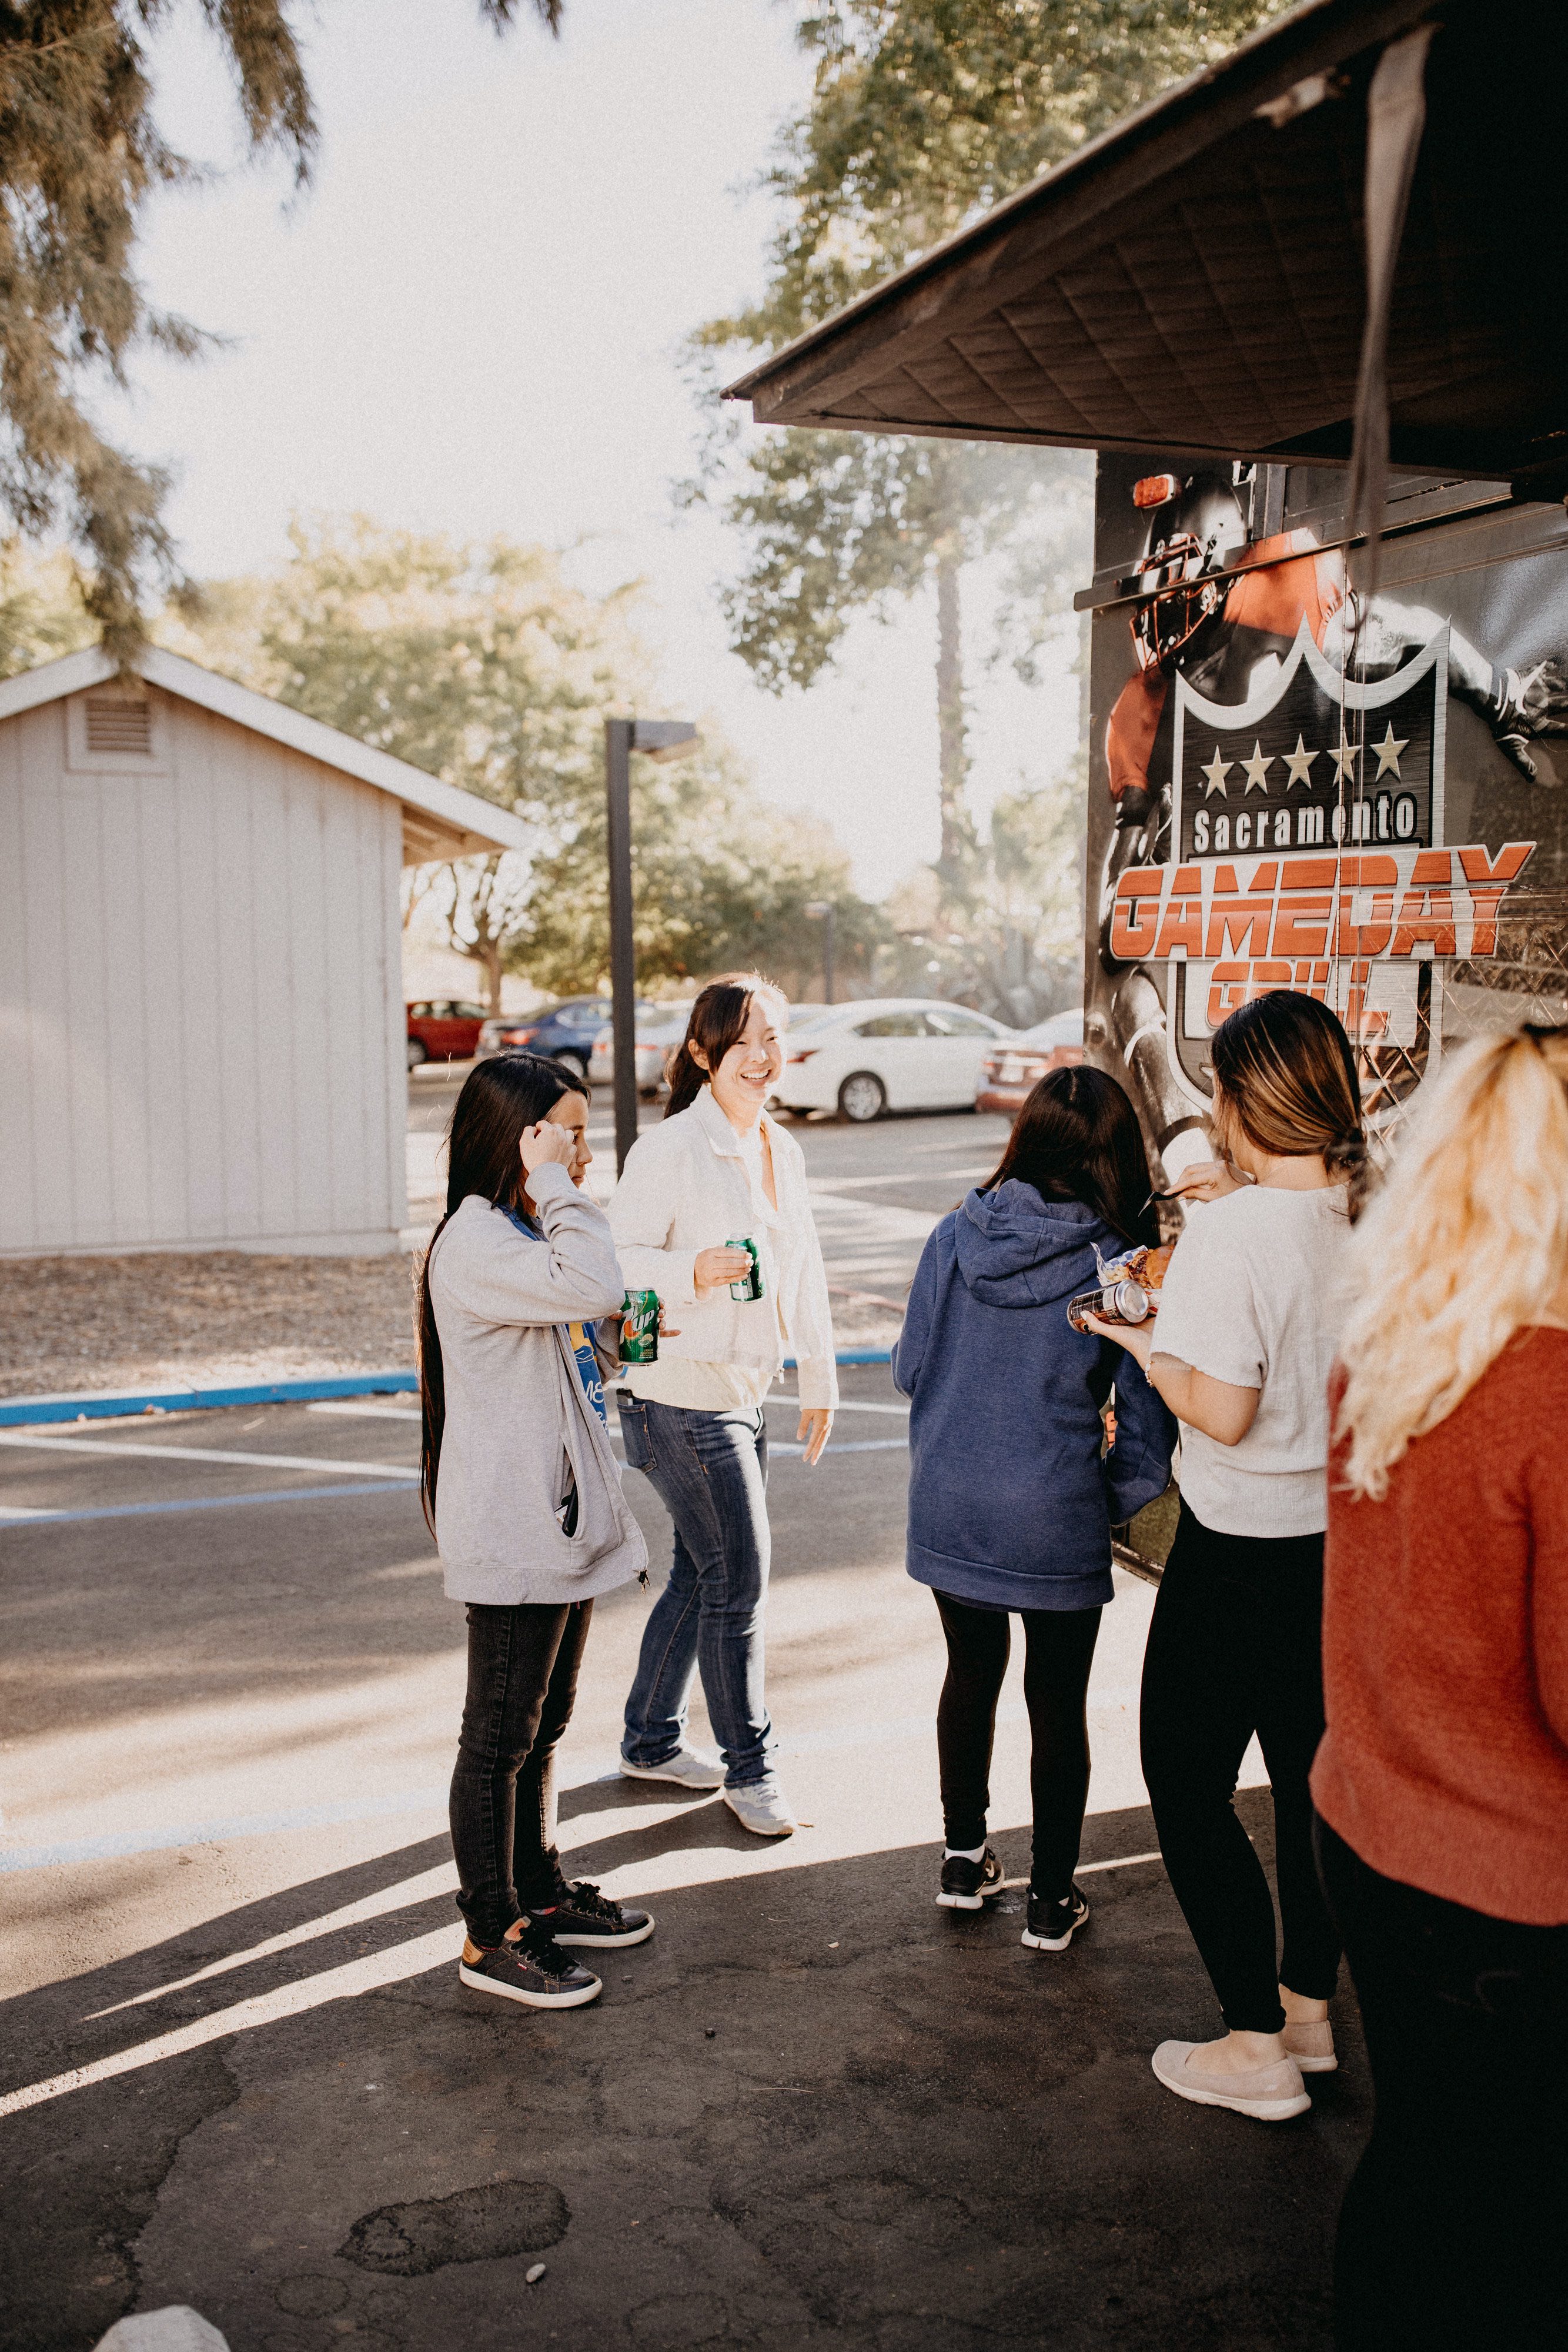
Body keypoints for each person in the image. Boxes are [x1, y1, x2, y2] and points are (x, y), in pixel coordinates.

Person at [1313, 1022, 1568, 2350]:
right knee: (1518, 2220)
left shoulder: (1395, 1345)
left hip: (1370, 1831)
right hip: (1511, 1901)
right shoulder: (1551, 1391)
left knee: (1420, 2160)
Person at [1090, 990, 1365, 2119]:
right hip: (1338, 1553)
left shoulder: (1235, 1231)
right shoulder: (1371, 1214)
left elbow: (1228, 1409)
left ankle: (1254, 2045)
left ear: (1242, 1101)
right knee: (1309, 1790)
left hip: (1236, 1551)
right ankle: (1307, 2016)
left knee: (1187, 1783)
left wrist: (1145, 1348)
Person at [892, 1067, 1176, 1949]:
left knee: (968, 1674)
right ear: (1118, 1156)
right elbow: (1147, 1424)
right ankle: (1051, 1901)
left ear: (1027, 1139)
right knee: (1057, 1702)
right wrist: (1108, 1500)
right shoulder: (1119, 1263)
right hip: (1055, 1509)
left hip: (950, 1501)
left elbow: (908, 1369)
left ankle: (963, 1858)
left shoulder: (954, 1233)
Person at [419, 1051, 655, 2012]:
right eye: (570, 1135)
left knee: (542, 1725)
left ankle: (539, 1892)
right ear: (522, 1139)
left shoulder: (516, 1235)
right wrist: (557, 1187)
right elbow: (592, 1276)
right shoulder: (479, 1238)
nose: (584, 1154)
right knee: (497, 1741)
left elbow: (578, 1321)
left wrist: (609, 1344)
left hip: (557, 1520)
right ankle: (491, 1934)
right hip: (517, 1528)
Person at [608, 975, 836, 1836]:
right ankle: (752, 1769)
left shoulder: (784, 1147)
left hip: (743, 1388)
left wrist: (819, 1375)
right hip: (678, 1393)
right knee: (738, 1580)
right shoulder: (670, 1149)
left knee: (703, 1572)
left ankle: (650, 1739)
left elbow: (806, 1266)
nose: (762, 1057)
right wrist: (690, 1271)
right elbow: (615, 1261)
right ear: (703, 1055)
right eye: (743, 1043)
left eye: (773, 1038)